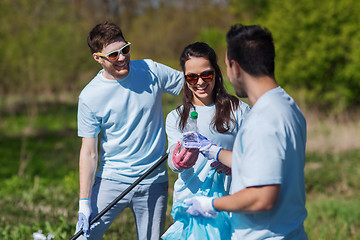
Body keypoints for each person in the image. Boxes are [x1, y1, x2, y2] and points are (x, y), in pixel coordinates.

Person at [184, 24, 308, 239]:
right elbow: (267, 161)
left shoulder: (262, 120)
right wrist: (213, 151)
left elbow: (262, 198)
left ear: (236, 67)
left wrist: (211, 204)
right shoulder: (286, 104)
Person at [75, 21, 184, 240]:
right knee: (83, 237)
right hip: (110, 180)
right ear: (97, 58)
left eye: (125, 49)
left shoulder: (151, 70)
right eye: (113, 55)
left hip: (153, 180)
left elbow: (193, 87)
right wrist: (84, 202)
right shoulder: (89, 97)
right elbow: (88, 152)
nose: (123, 57)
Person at [161, 42, 250, 239]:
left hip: (229, 206)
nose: (199, 82)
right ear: (185, 79)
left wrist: (235, 166)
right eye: (192, 77)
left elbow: (256, 157)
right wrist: (178, 161)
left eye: (206, 75)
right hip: (190, 206)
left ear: (216, 74)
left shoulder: (239, 111)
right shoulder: (176, 117)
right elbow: (172, 163)